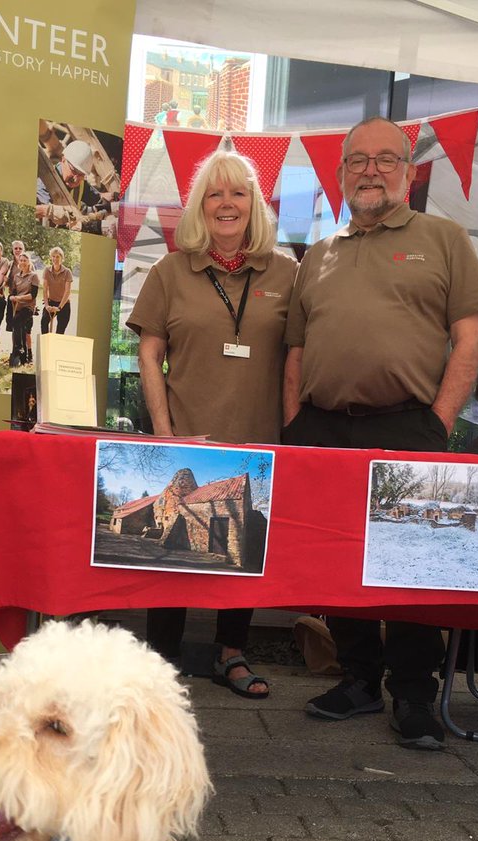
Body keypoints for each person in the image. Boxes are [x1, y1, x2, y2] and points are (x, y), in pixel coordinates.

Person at [282, 116, 478, 749]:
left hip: (409, 424)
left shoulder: (443, 237)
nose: (370, 169)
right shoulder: (318, 253)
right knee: (335, 560)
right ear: (342, 172)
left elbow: (471, 337)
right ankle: (357, 679)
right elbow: (296, 349)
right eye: (357, 160)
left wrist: (437, 422)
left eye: (385, 159)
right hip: (322, 427)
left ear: (408, 172)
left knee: (409, 564)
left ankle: (413, 695)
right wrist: (296, 421)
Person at [127, 149, 297, 699]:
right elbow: (148, 354)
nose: (227, 204)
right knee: (174, 548)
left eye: (239, 193)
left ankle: (232, 652)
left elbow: (300, 358)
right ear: (201, 207)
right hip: (187, 437)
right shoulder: (170, 272)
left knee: (241, 545)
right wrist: (164, 429)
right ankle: (160, 662)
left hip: (259, 439)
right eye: (215, 194)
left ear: (255, 206)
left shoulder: (288, 273)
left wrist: (294, 433)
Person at [36, 139, 118, 234]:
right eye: (73, 171)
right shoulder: (43, 184)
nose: (76, 179)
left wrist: (116, 197)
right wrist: (48, 210)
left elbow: (99, 198)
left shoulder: (81, 183)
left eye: (81, 175)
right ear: (63, 160)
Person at [9, 252, 40, 366]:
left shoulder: (34, 276)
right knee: (20, 330)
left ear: (28, 262)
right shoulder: (16, 276)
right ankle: (24, 360)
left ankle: (18, 348)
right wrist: (12, 296)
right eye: (20, 260)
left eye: (24, 260)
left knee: (16, 321)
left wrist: (19, 297)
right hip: (18, 307)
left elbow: (33, 295)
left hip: (28, 308)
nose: (22, 262)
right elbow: (13, 292)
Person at [40, 247, 73, 335]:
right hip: (51, 302)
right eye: (53, 256)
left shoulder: (67, 272)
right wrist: (47, 306)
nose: (55, 259)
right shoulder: (47, 270)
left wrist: (59, 308)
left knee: (60, 332)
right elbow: (45, 289)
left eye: (57, 257)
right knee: (44, 322)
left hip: (64, 304)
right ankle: (45, 344)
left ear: (62, 258)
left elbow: (67, 291)